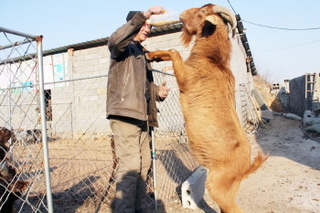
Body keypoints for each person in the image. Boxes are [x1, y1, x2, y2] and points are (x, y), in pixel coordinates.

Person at [106, 5, 170, 213]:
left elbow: (141, 87)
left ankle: (139, 209)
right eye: (143, 24)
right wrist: (147, 14)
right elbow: (115, 40)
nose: (147, 28)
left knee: (143, 167)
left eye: (149, 26)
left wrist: (156, 91)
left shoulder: (142, 54)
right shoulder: (122, 47)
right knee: (131, 166)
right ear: (132, 26)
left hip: (140, 116)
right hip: (124, 114)